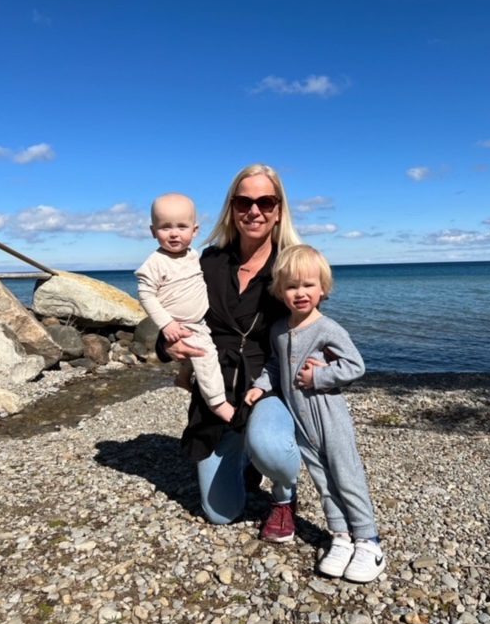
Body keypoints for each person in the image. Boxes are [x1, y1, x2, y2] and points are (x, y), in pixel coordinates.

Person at [155, 164, 302, 541]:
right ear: (231, 208)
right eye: (244, 201)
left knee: (270, 445)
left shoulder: (290, 264)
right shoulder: (207, 261)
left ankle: (283, 497)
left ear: (279, 209)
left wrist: (323, 359)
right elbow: (172, 311)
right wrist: (168, 345)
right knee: (222, 514)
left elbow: (311, 321)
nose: (254, 211)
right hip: (216, 390)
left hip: (267, 386)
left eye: (265, 202)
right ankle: (244, 456)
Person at [245, 244, 386, 582]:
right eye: (292, 286)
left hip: (329, 417)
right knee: (323, 481)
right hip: (300, 422)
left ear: (323, 288)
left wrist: (318, 376)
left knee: (346, 476)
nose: (300, 293)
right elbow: (276, 365)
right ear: (280, 291)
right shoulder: (279, 329)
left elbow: (355, 366)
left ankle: (368, 542)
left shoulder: (328, 329)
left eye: (308, 285)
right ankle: (340, 536)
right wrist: (262, 385)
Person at [136, 193, 234, 422]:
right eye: (165, 227)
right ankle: (218, 402)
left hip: (200, 321)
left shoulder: (193, 255)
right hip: (183, 325)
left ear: (195, 230)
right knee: (206, 356)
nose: (174, 233)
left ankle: (183, 378)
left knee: (195, 357)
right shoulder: (155, 262)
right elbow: (146, 294)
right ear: (153, 231)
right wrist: (166, 324)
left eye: (182, 226)